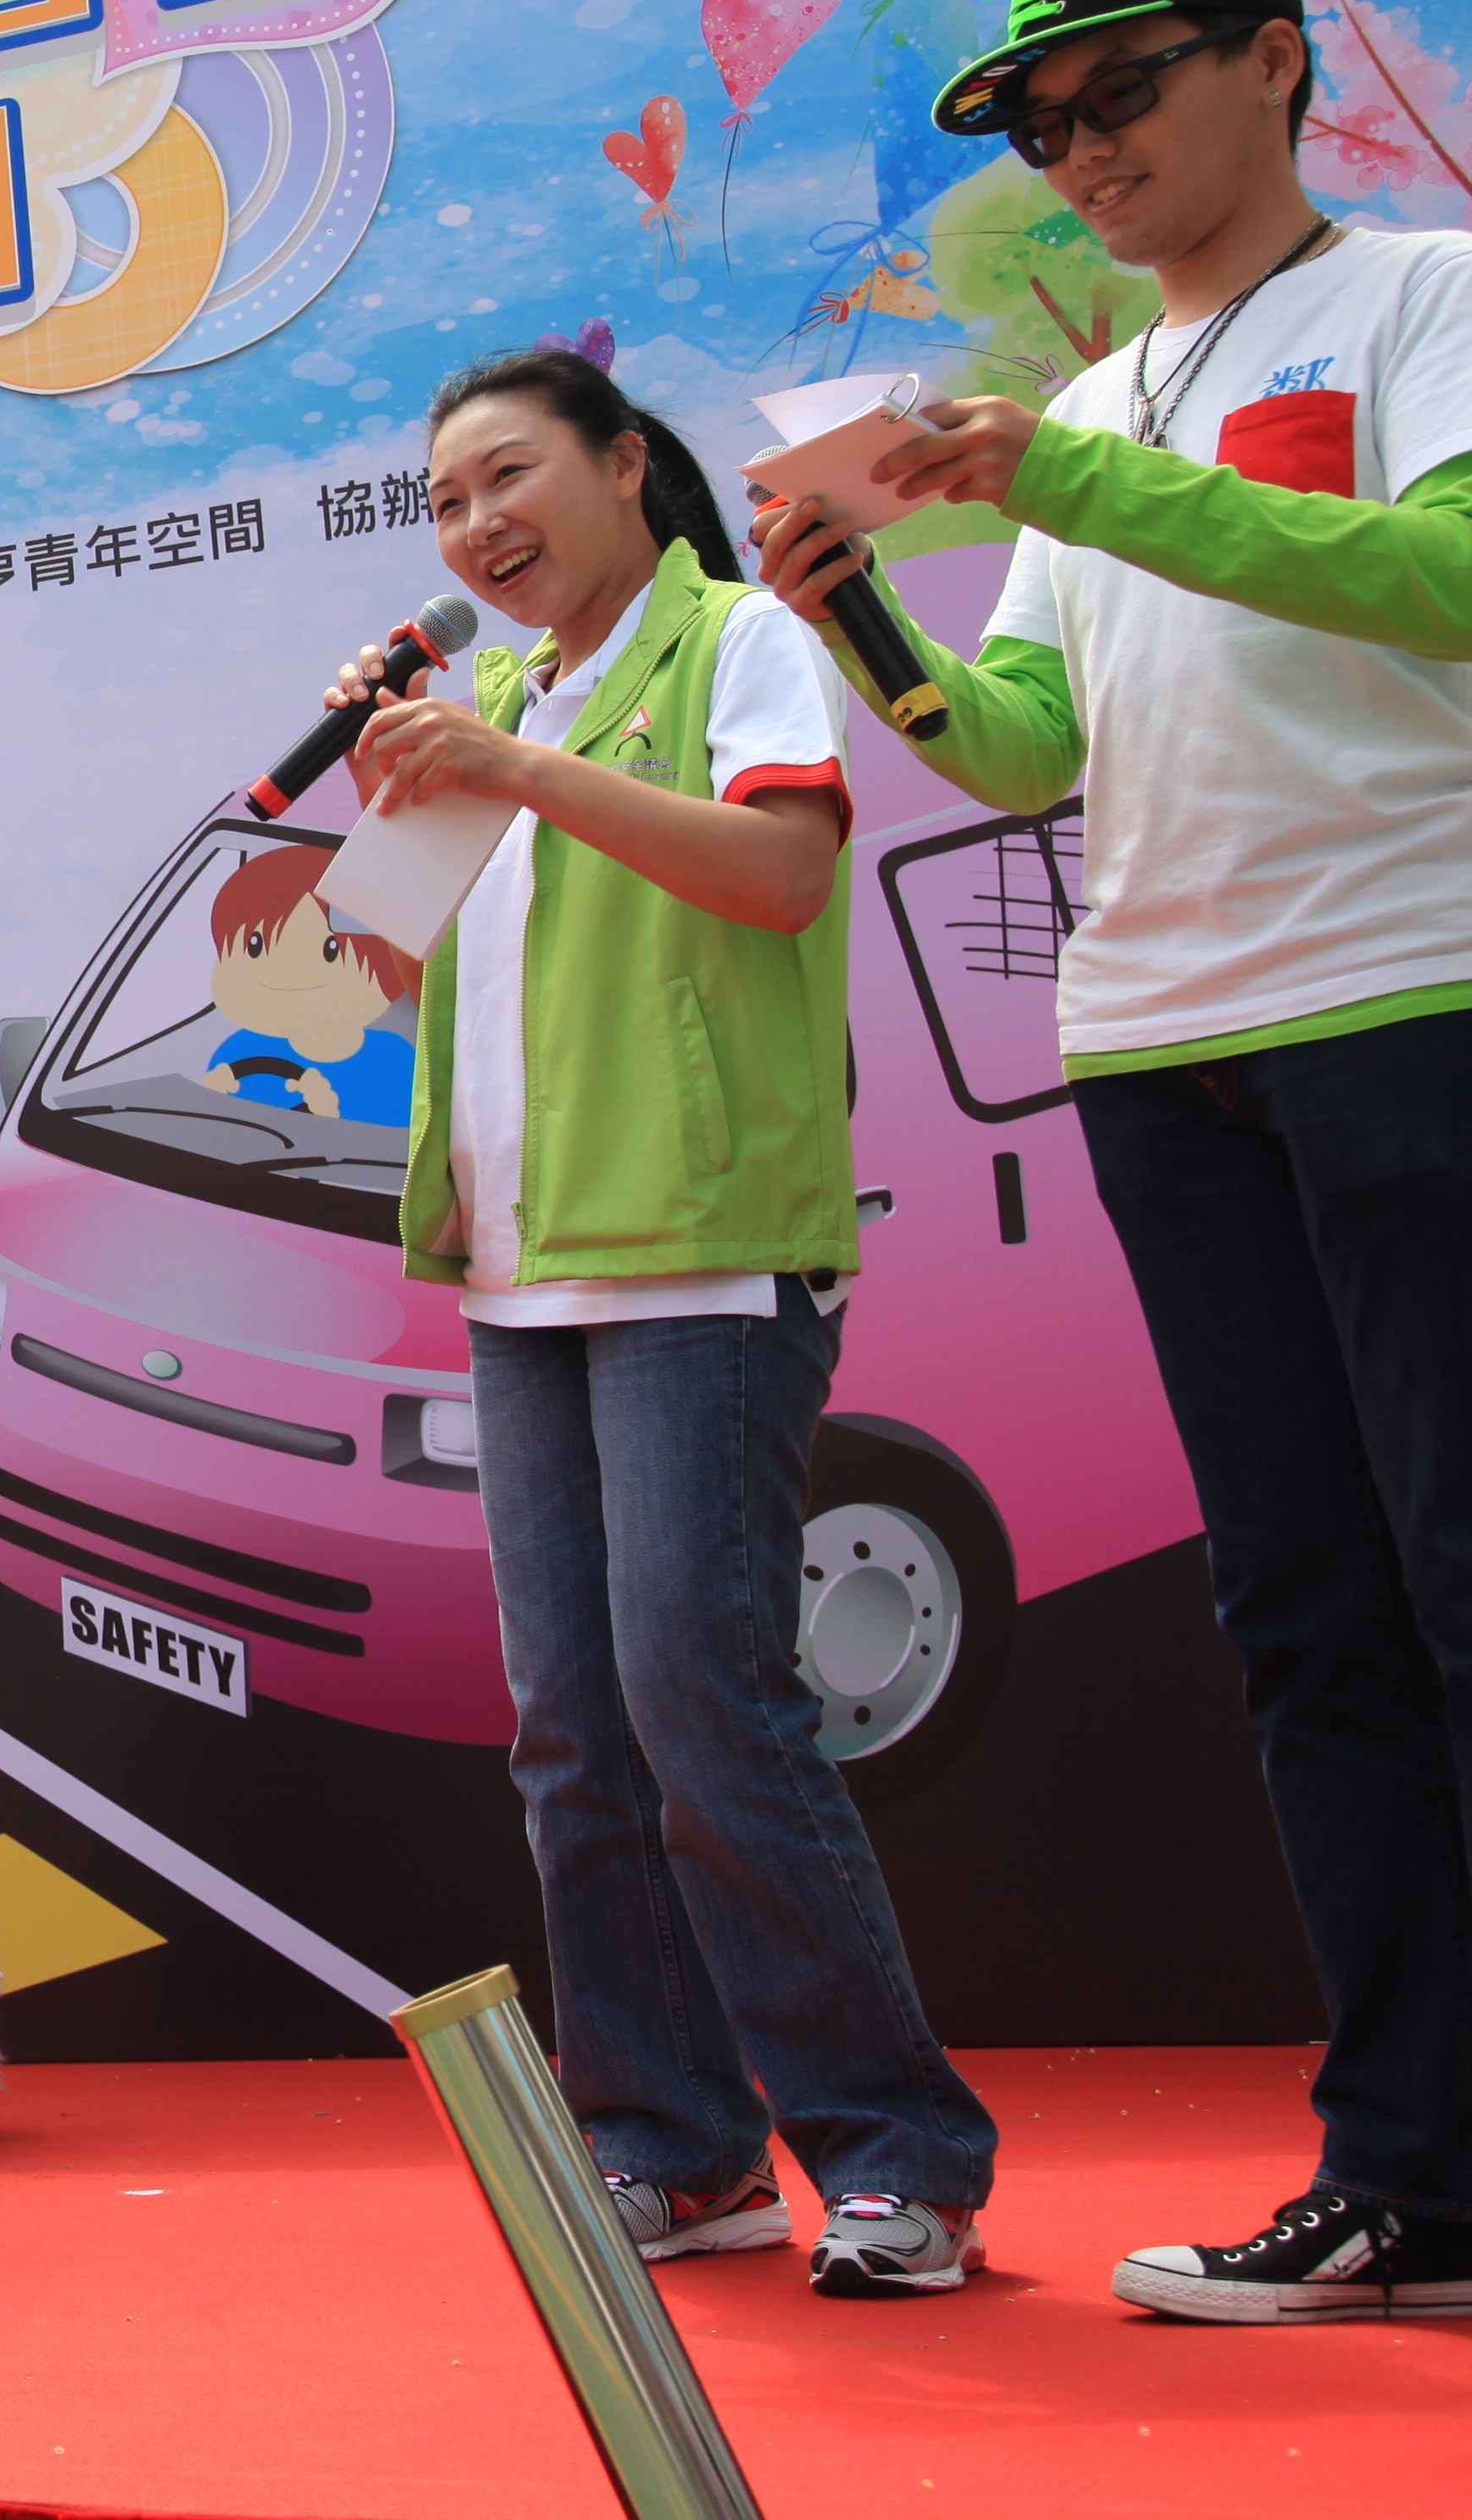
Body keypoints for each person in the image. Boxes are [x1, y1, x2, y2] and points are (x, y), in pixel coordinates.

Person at [757, 0, 1472, 2366]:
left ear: (1276, 64)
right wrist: (866, 616)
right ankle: (1409, 2177)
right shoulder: (1122, 397)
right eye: (1045, 127)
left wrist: (1073, 473)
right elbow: (1024, 757)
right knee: (1306, 1616)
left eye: (1123, 94)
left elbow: (1468, 584)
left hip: (1423, 993)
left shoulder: (1415, 302)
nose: (1084, 151)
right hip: (1163, 1035)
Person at [339, 347, 997, 2299]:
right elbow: (364, 976)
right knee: (570, 1729)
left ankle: (896, 2153)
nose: (474, 523)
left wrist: (515, 766)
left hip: (706, 1248)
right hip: (526, 1262)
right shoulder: (506, 701)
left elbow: (785, 872)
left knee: (708, 1696)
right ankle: (668, 2141)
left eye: (507, 473)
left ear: (628, 465)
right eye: (444, 499)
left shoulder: (741, 641)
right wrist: (390, 778)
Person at [196, 842, 421, 1126]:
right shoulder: (238, 1050)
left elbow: (405, 1150)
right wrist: (211, 1100)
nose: (286, 972)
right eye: (255, 946)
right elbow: (222, 1133)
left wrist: (326, 1125)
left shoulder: (395, 1061)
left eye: (330, 951)